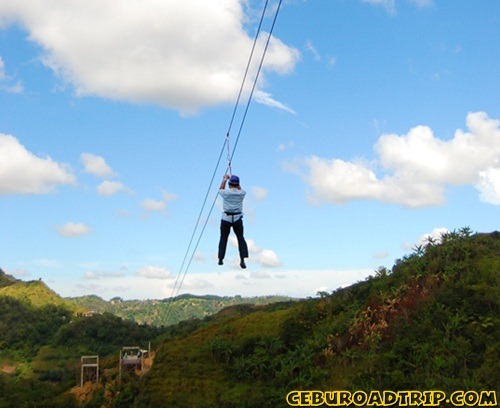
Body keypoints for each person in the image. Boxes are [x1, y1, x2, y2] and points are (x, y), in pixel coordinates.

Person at [218, 174, 249, 268]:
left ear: (229, 184)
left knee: (223, 238)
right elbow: (239, 188)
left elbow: (220, 189)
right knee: (240, 239)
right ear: (238, 184)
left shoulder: (225, 193)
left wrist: (225, 179)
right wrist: (234, 181)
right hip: (237, 219)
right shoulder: (242, 193)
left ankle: (220, 259)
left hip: (226, 218)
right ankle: (242, 260)